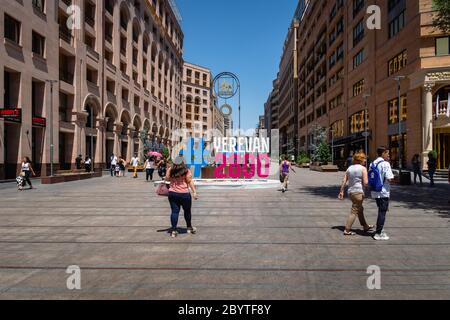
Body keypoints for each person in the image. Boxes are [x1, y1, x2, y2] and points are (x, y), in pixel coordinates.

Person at [338, 152, 374, 236]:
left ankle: (365, 226)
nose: (365, 160)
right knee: (354, 211)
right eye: (364, 158)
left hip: (351, 192)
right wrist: (373, 183)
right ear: (360, 159)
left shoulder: (350, 168)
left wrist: (341, 191)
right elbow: (365, 183)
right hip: (358, 192)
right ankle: (347, 230)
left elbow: (344, 180)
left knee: (360, 209)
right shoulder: (363, 168)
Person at [165, 160, 199, 238]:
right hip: (184, 194)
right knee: (187, 211)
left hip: (173, 193)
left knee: (174, 212)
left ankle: (173, 230)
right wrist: (194, 192)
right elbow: (189, 181)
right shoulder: (186, 170)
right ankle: (189, 228)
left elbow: (167, 179)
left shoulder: (170, 169)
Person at [370, 147, 395, 241]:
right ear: (383, 153)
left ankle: (380, 229)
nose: (388, 155)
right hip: (383, 191)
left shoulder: (372, 163)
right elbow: (389, 178)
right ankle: (378, 233)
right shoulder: (385, 164)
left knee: (381, 210)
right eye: (387, 153)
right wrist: (395, 178)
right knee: (382, 212)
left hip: (375, 191)